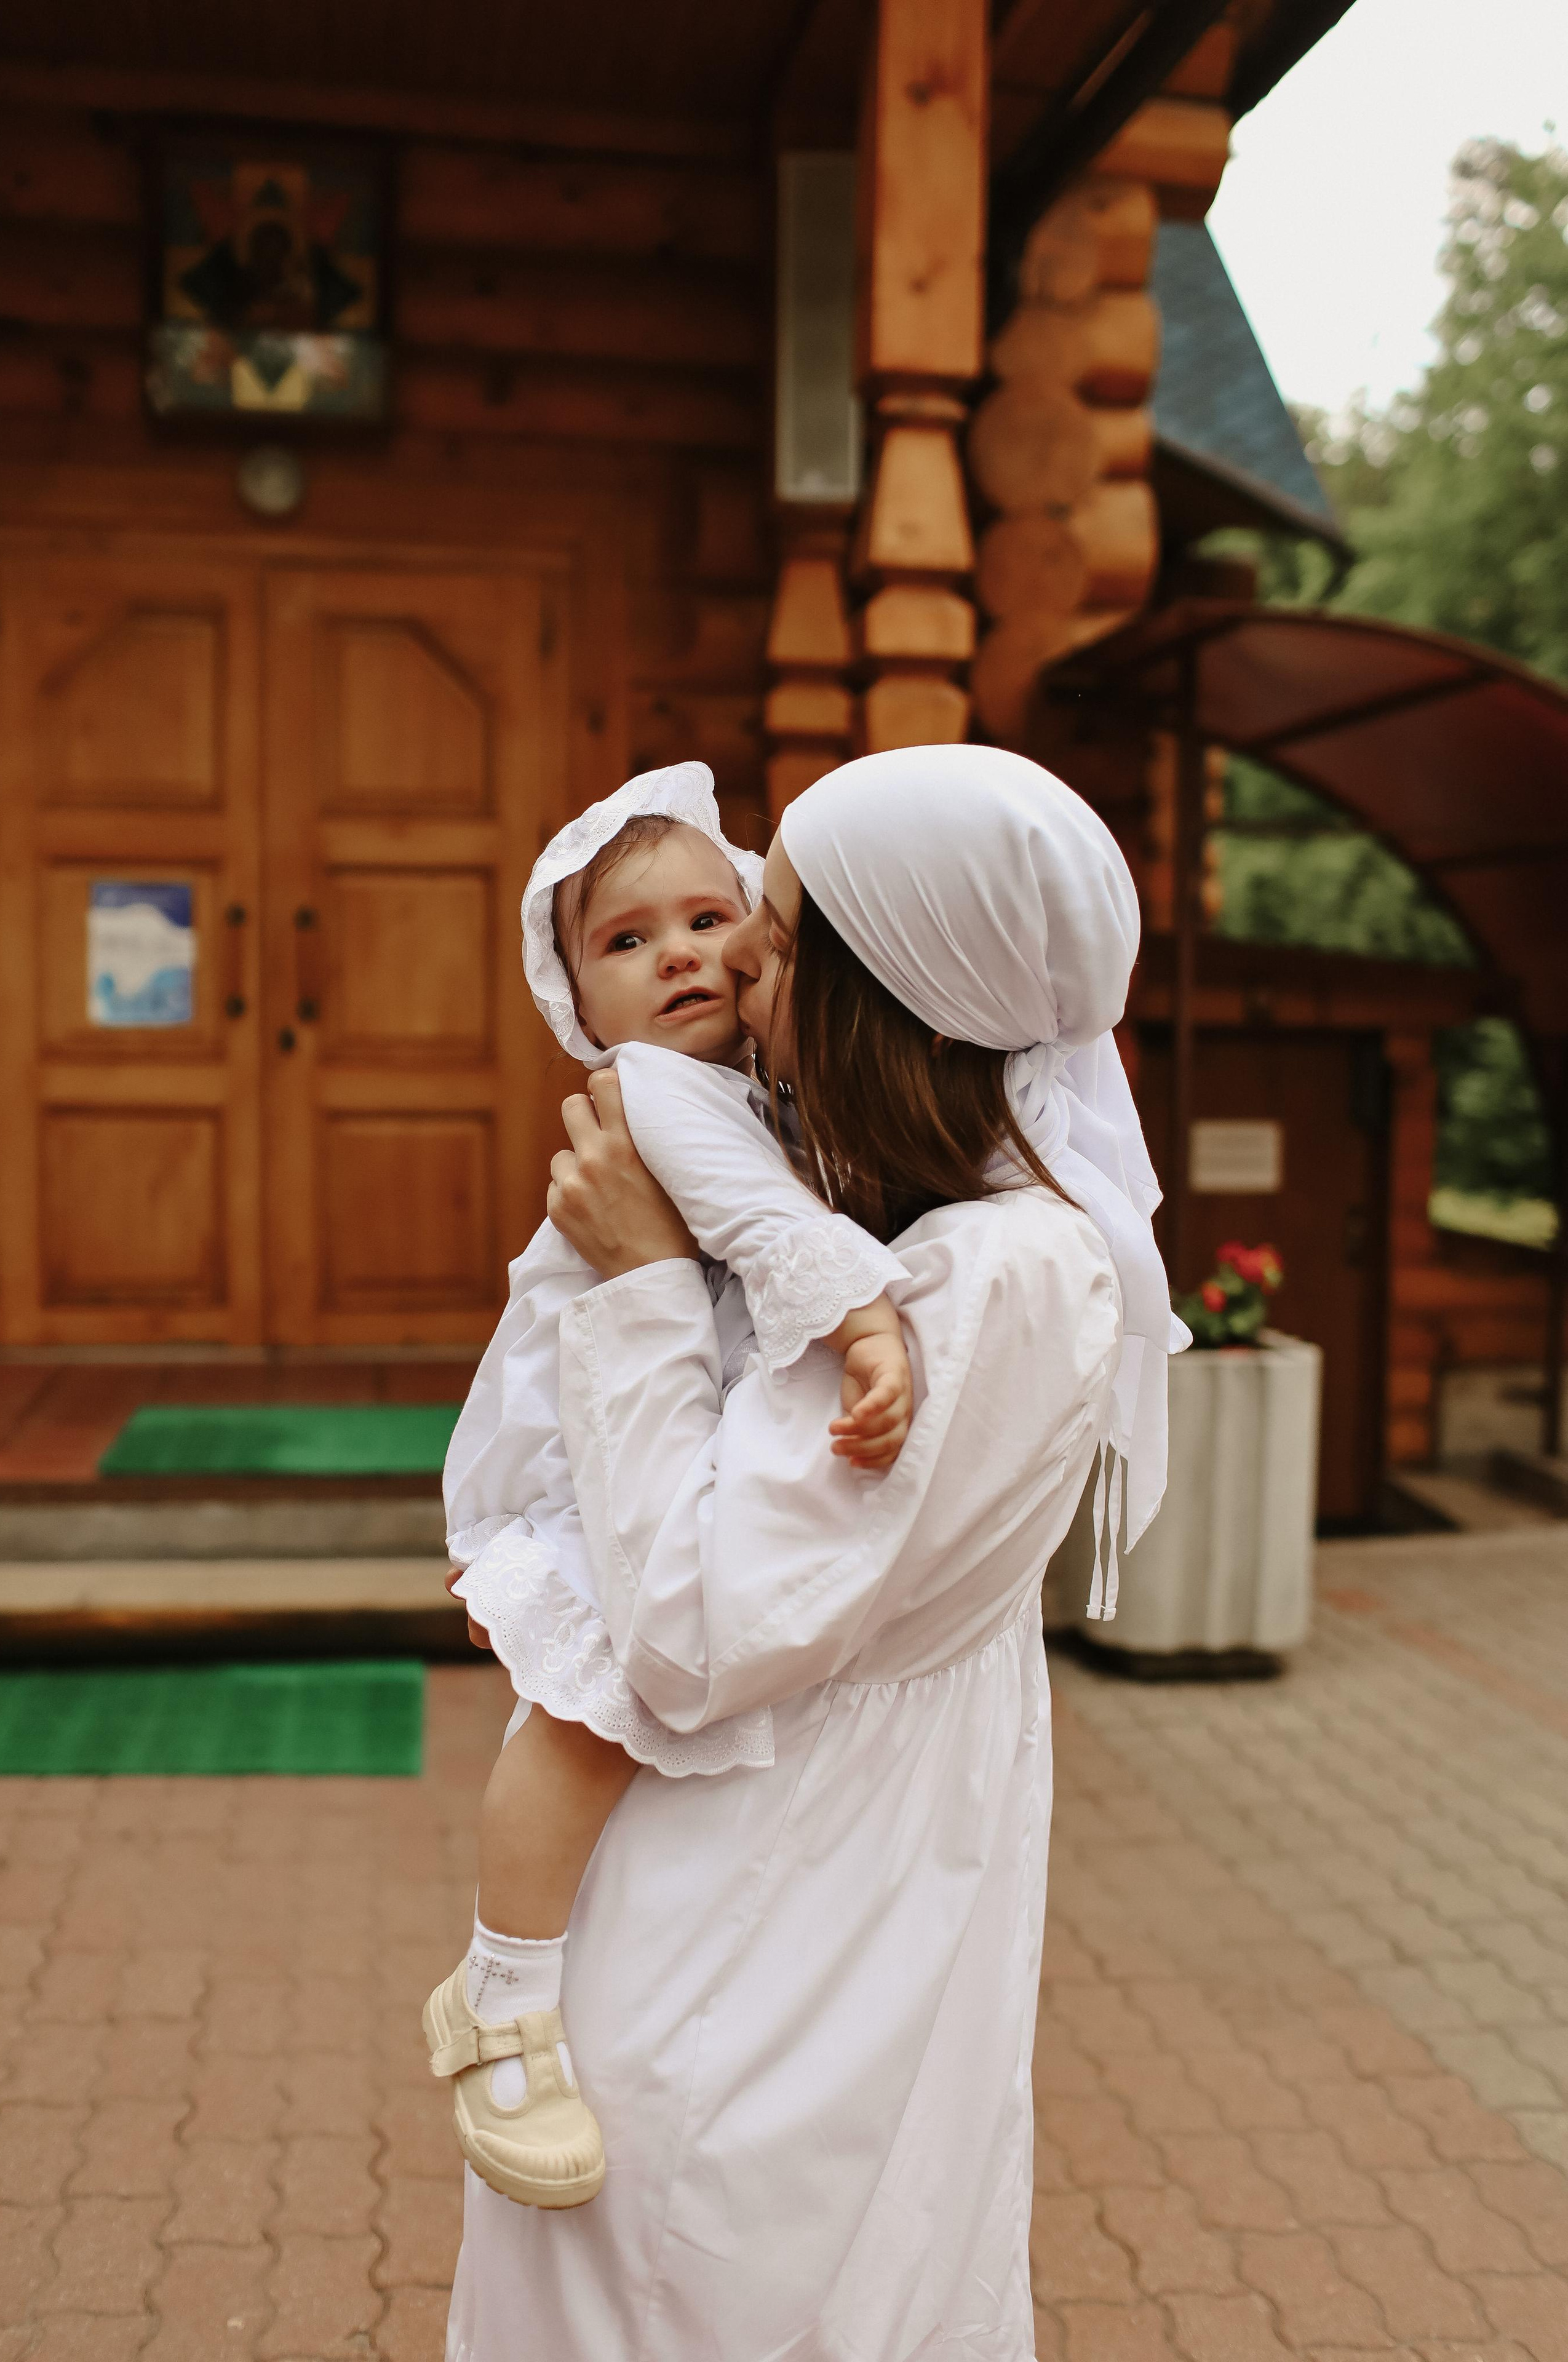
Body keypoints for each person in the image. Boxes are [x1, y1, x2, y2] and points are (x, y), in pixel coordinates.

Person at [444, 742, 1186, 2360]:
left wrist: (646, 1283)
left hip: (770, 1939)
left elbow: (698, 1635)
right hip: (765, 1891)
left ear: (882, 990)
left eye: (765, 941)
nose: (727, 976)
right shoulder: (901, 1214)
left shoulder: (1000, 1275)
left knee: (734, 2294)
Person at [429, 764, 915, 2209]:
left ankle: (529, 1985)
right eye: (626, 941)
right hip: (579, 1471)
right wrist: (870, 1322)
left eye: (711, 917)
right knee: (586, 1717)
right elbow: (767, 1227)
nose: (682, 955)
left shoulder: (753, 1090)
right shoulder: (656, 1093)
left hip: (638, 1450)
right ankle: (500, 1996)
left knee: (621, 1713)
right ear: (577, 1002)